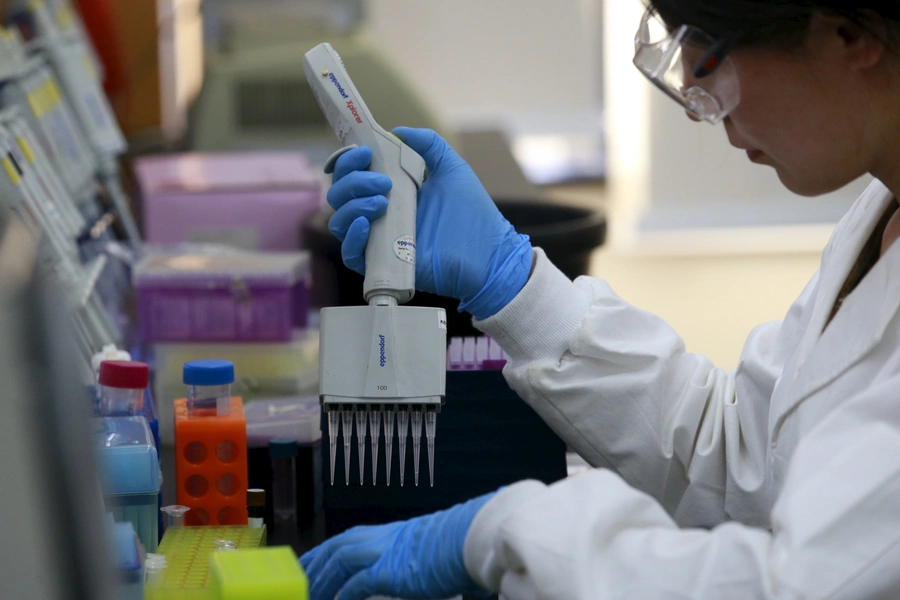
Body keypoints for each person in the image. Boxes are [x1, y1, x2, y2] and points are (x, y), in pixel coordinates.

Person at [300, 1, 900, 598]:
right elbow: (737, 461)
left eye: (710, 53)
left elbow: (793, 586)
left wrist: (506, 532)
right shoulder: (877, 213)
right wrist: (511, 280)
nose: (696, 104)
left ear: (847, 34)